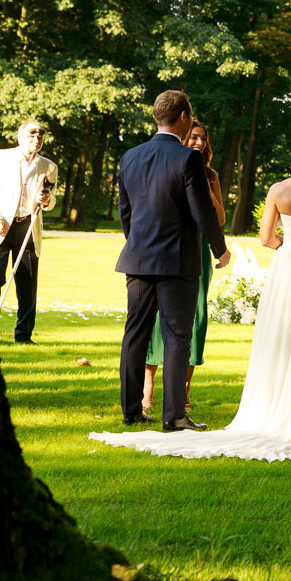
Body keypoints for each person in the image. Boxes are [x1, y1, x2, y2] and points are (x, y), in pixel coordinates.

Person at [91, 127, 291, 463]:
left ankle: (275, 406)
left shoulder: (278, 190)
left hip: (288, 266)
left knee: (283, 337)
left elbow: (267, 239)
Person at [108, 91, 228, 431]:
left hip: (138, 259)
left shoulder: (130, 156)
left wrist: (137, 243)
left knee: (135, 334)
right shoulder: (188, 158)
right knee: (177, 336)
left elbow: (125, 212)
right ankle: (174, 415)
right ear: (183, 117)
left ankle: (131, 411)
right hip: (177, 261)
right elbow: (202, 211)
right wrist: (219, 248)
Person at [143, 123, 231, 417]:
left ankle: (184, 387)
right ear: (183, 138)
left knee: (196, 317)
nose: (199, 142)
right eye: (194, 137)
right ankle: (148, 384)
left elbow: (219, 219)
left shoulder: (211, 175)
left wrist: (204, 185)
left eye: (203, 138)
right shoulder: (170, 165)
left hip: (198, 251)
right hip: (169, 246)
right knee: (159, 315)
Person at [0, 119, 59, 344]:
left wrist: (47, 199)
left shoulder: (49, 167)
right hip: (0, 225)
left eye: (40, 135)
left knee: (27, 283)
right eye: (32, 134)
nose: (36, 139)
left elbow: (51, 199)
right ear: (20, 137)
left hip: (28, 226)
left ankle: (23, 335)